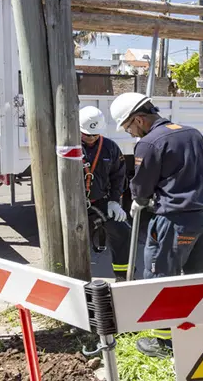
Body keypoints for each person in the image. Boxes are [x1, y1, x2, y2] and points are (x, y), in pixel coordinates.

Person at [109, 92, 203, 358]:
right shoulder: (191, 133)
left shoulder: (149, 143)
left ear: (139, 119)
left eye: (128, 127)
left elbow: (143, 184)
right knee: (196, 274)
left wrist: (138, 200)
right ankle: (195, 328)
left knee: (159, 276)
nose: (131, 133)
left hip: (175, 219)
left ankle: (164, 342)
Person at [79, 106, 131, 281]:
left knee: (122, 231)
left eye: (95, 135)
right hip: (73, 203)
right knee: (73, 238)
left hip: (100, 201)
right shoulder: (70, 146)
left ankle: (123, 276)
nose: (91, 138)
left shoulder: (109, 148)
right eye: (87, 135)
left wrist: (114, 201)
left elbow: (118, 176)